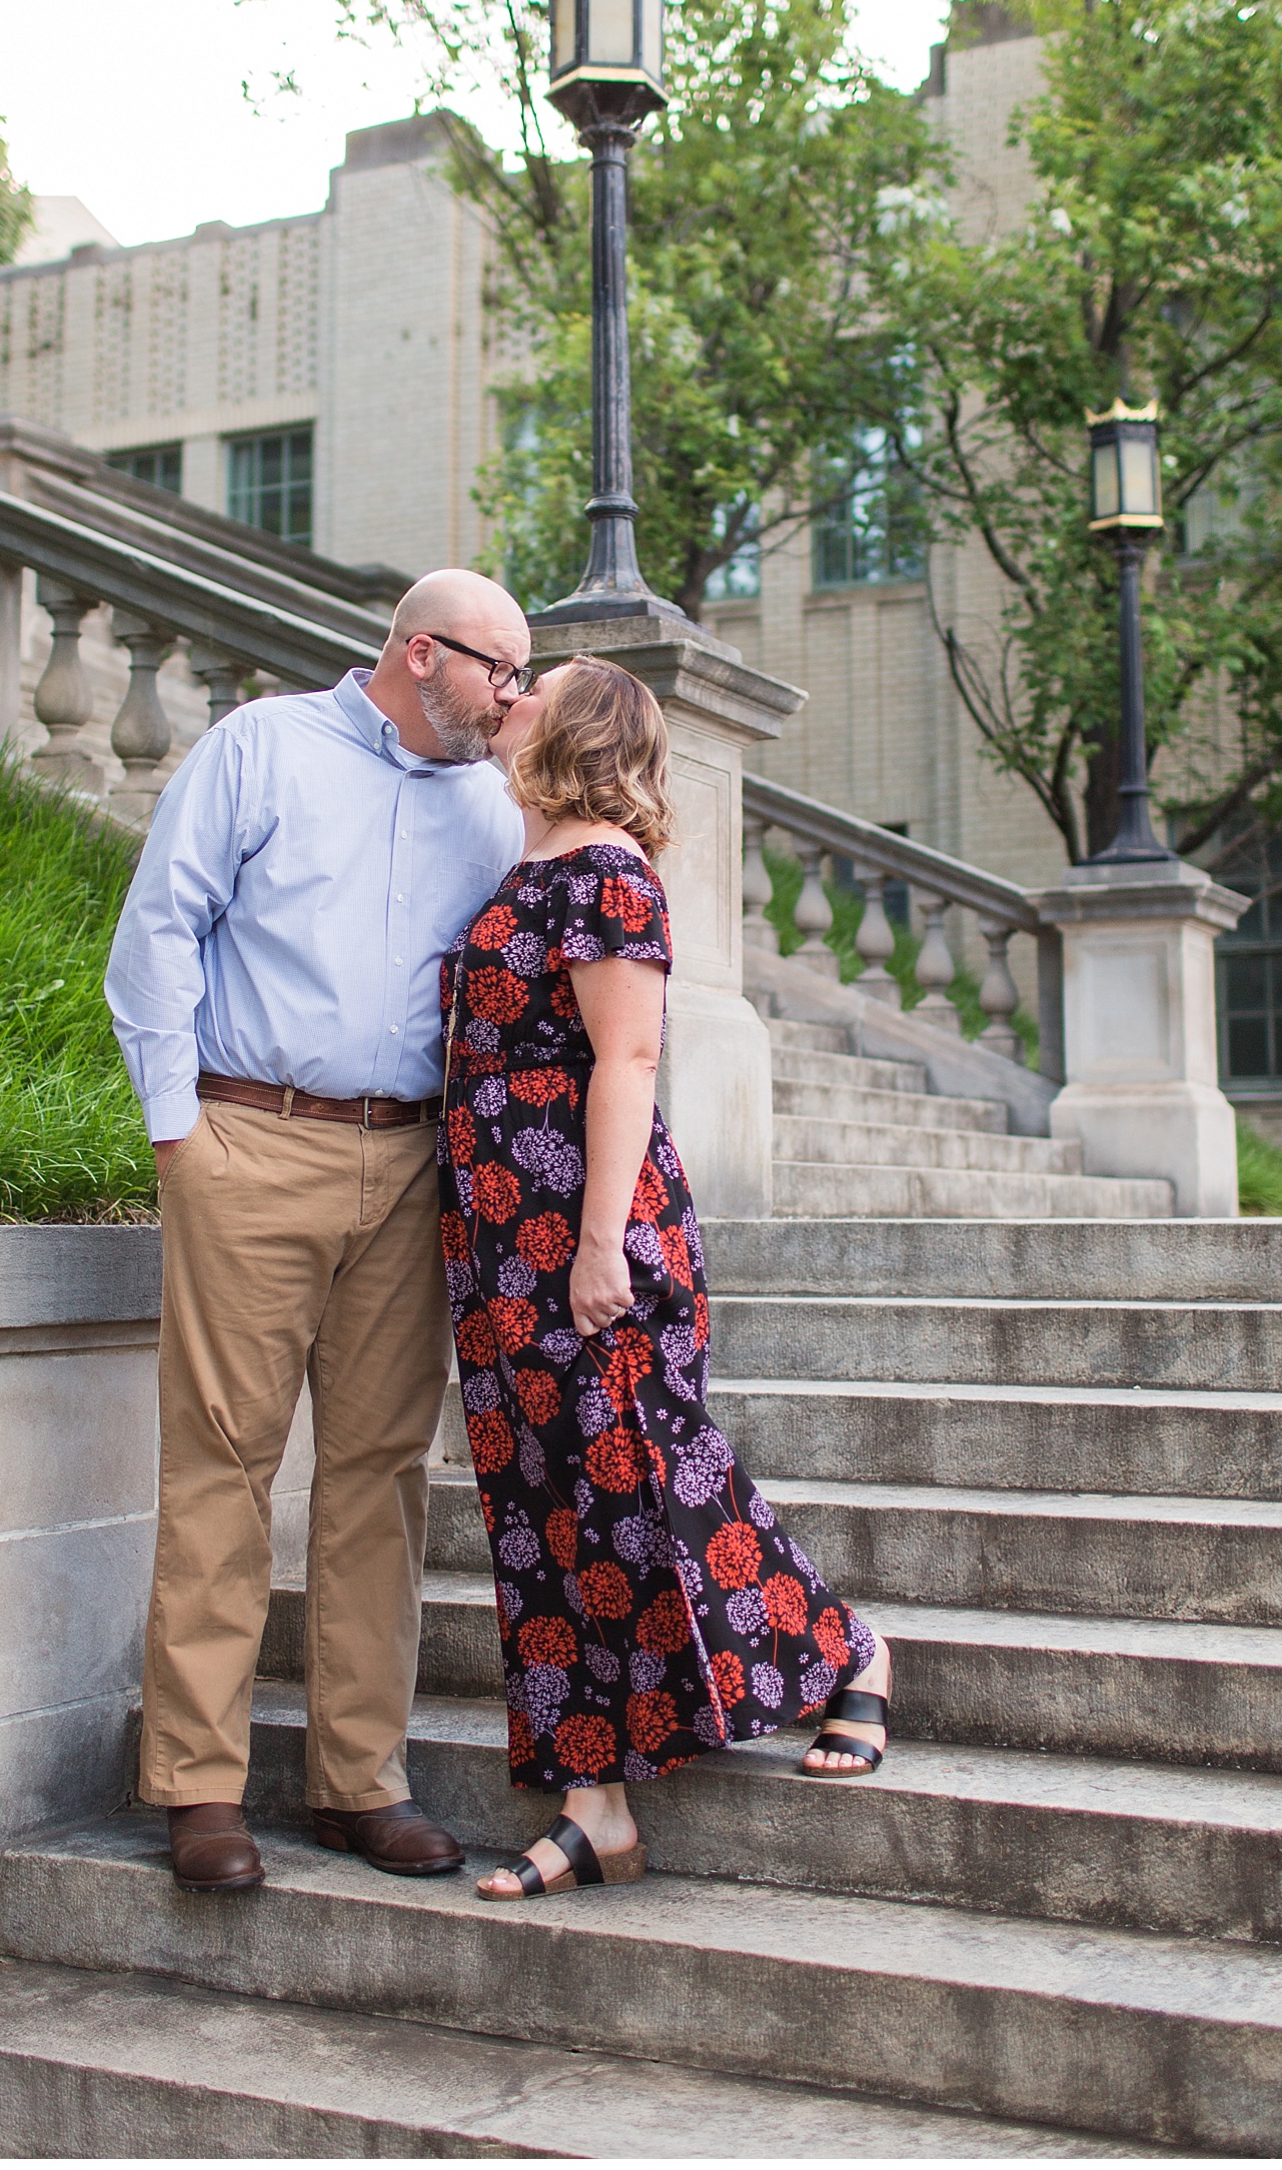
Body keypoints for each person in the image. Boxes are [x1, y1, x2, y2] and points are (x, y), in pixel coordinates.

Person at [437, 655, 892, 1901]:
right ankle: (595, 1808)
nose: (507, 689)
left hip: (588, 1232)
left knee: (643, 1485)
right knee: (544, 1516)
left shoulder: (609, 876)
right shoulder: (523, 869)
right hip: (493, 1235)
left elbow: (627, 1061)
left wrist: (595, 1244)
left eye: (531, 681)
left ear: (573, 725)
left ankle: (847, 1649)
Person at [105, 569, 530, 1894]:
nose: (509, 698)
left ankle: (360, 1780)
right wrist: (181, 1132)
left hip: (411, 1164)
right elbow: (162, 928)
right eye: (496, 671)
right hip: (249, 1139)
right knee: (223, 1463)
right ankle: (199, 1783)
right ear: (419, 651)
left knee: (379, 1475)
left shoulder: (491, 806)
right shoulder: (262, 747)